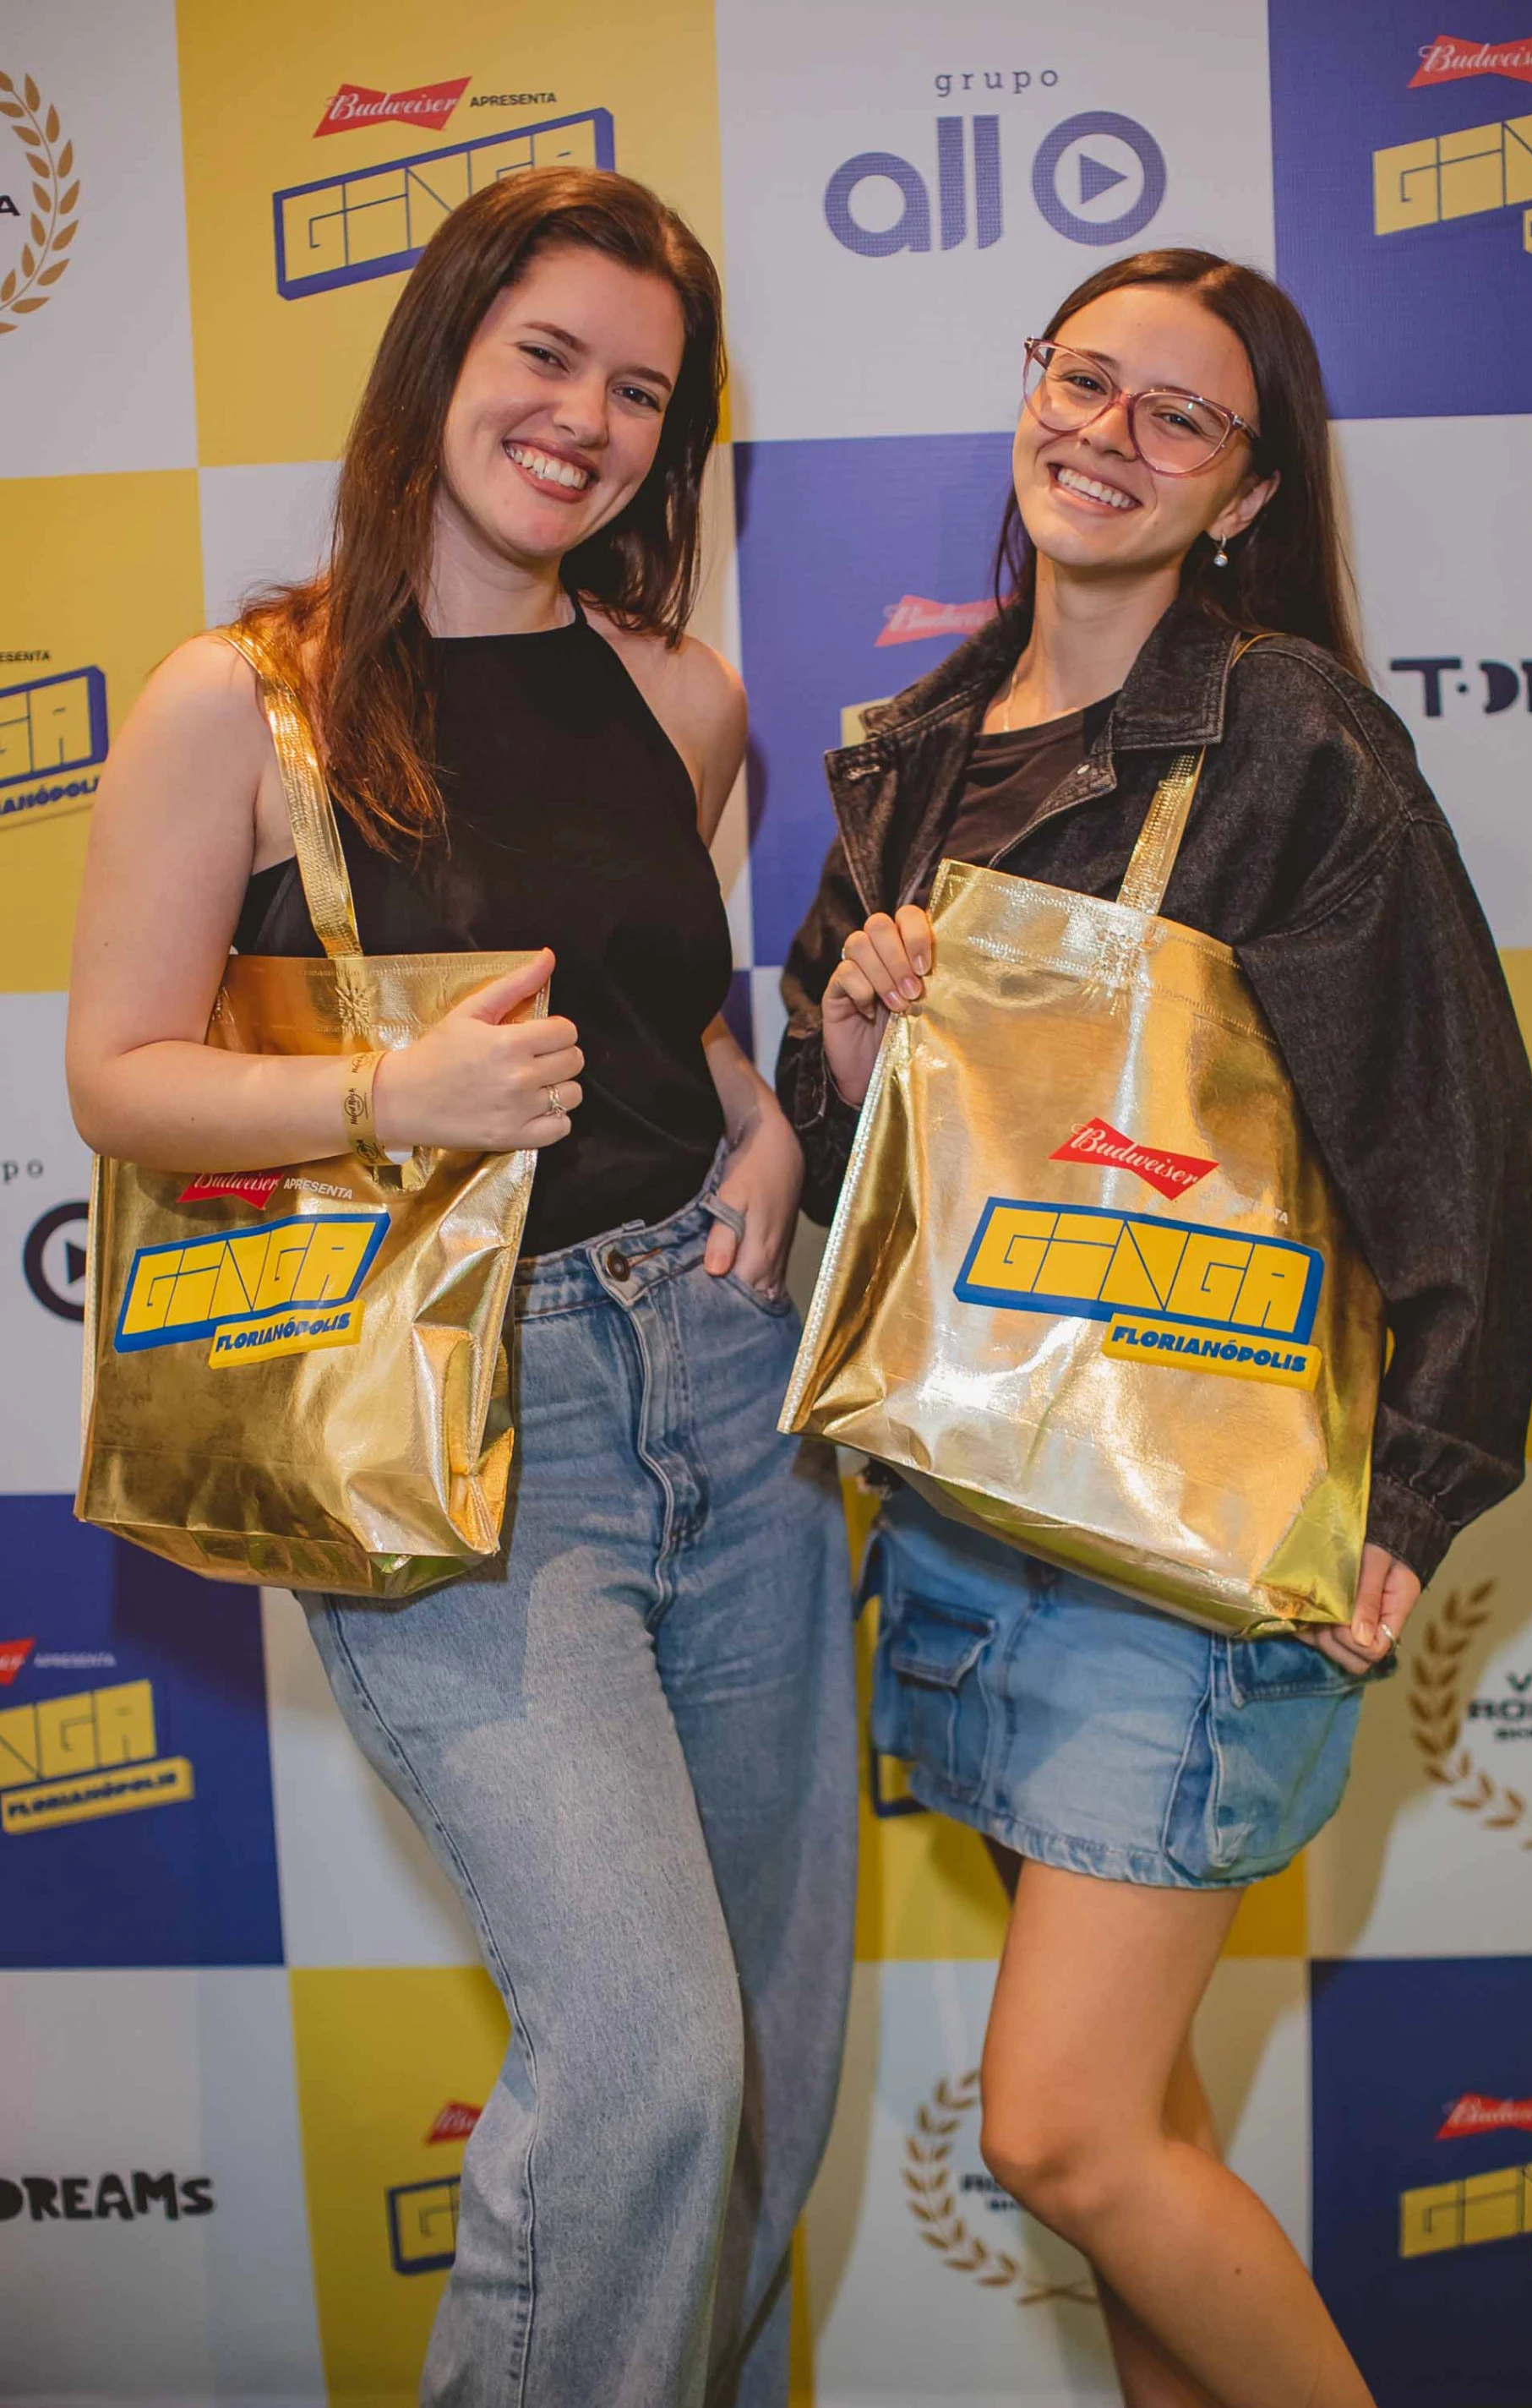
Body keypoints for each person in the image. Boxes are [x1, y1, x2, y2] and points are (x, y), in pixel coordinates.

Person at [68, 167, 855, 2408]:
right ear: (440, 355)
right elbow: (117, 1073)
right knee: (643, 2059)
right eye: (547, 357)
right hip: (470, 1435)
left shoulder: (681, 691)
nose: (586, 420)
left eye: (642, 392)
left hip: (730, 1383)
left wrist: (761, 1116)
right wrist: (385, 1091)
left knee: (762, 2070)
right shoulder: (243, 702)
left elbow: (666, 1006)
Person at [777, 249, 1532, 2408]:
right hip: (972, 1502)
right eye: (1081, 378)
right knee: (1143, 2132)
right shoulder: (910, 752)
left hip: (1199, 1537)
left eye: (1175, 416)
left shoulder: (1291, 737)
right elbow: (848, 1162)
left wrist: (1420, 1480)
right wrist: (845, 1039)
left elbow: (1453, 1130)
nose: (1103, 435)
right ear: (1027, 388)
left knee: (1058, 2130)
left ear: (1242, 492)